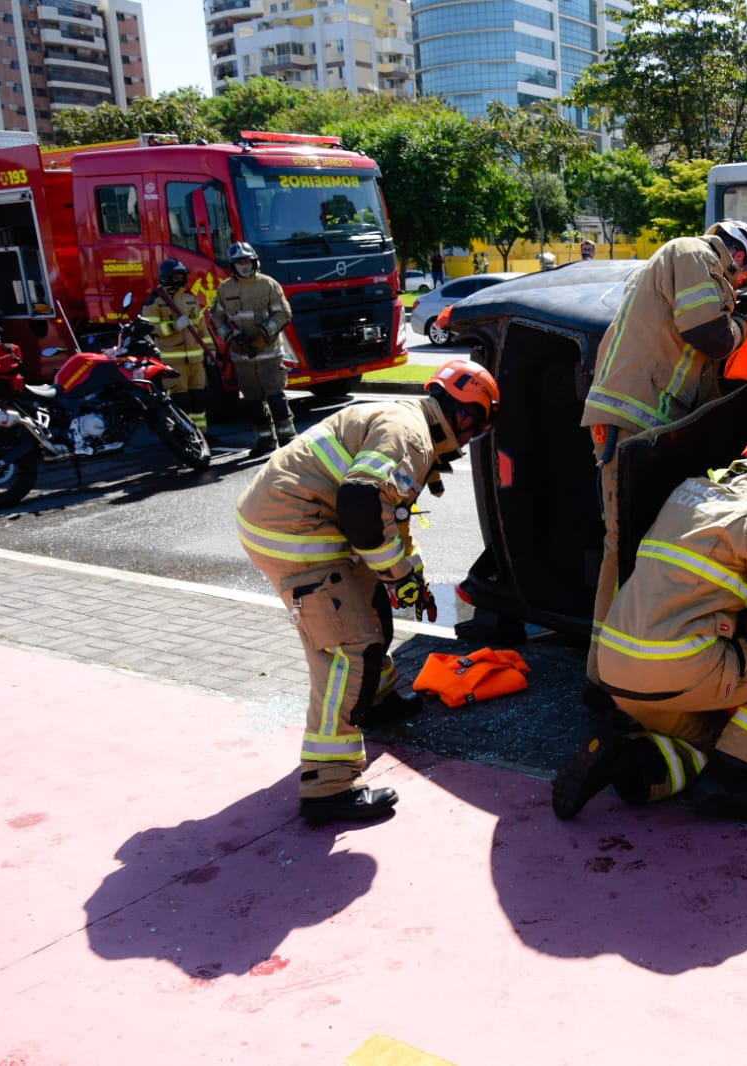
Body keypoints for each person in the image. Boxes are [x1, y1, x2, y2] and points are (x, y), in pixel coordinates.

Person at [236, 358, 500, 825]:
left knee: (372, 602)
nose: (470, 441)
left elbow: (388, 518)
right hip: (295, 532)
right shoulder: (411, 435)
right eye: (477, 429)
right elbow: (361, 506)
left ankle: (377, 701)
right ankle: (329, 785)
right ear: (466, 416)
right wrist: (397, 575)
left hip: (307, 522)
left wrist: (409, 582)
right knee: (348, 647)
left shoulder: (411, 424)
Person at [552, 427, 747, 821]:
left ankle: (628, 763)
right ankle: (733, 784)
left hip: (616, 671)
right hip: (677, 667)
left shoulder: (687, 491)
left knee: (715, 743)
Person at [579, 219, 747, 693]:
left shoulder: (694, 274)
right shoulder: (692, 253)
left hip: (649, 428)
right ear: (740, 257)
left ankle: (625, 666)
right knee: (622, 548)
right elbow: (711, 335)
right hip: (631, 423)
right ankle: (602, 677)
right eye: (745, 281)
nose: (739, 292)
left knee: (640, 548)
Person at [210, 242, 294, 456]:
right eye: (239, 262)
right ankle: (265, 440)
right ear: (233, 265)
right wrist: (230, 338)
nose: (244, 266)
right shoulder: (225, 289)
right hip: (241, 357)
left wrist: (263, 335)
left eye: (247, 261)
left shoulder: (268, 285)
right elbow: (217, 318)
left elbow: (283, 314)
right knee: (252, 402)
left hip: (269, 354)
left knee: (276, 397)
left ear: (254, 261)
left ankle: (288, 440)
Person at [140, 258, 211, 437]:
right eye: (176, 276)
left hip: (196, 360)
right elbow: (150, 328)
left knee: (199, 398)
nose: (180, 279)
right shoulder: (155, 302)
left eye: (182, 275)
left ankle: (201, 434)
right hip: (172, 361)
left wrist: (211, 351)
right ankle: (183, 435)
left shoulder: (189, 299)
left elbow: (202, 328)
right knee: (181, 399)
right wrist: (174, 326)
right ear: (167, 277)